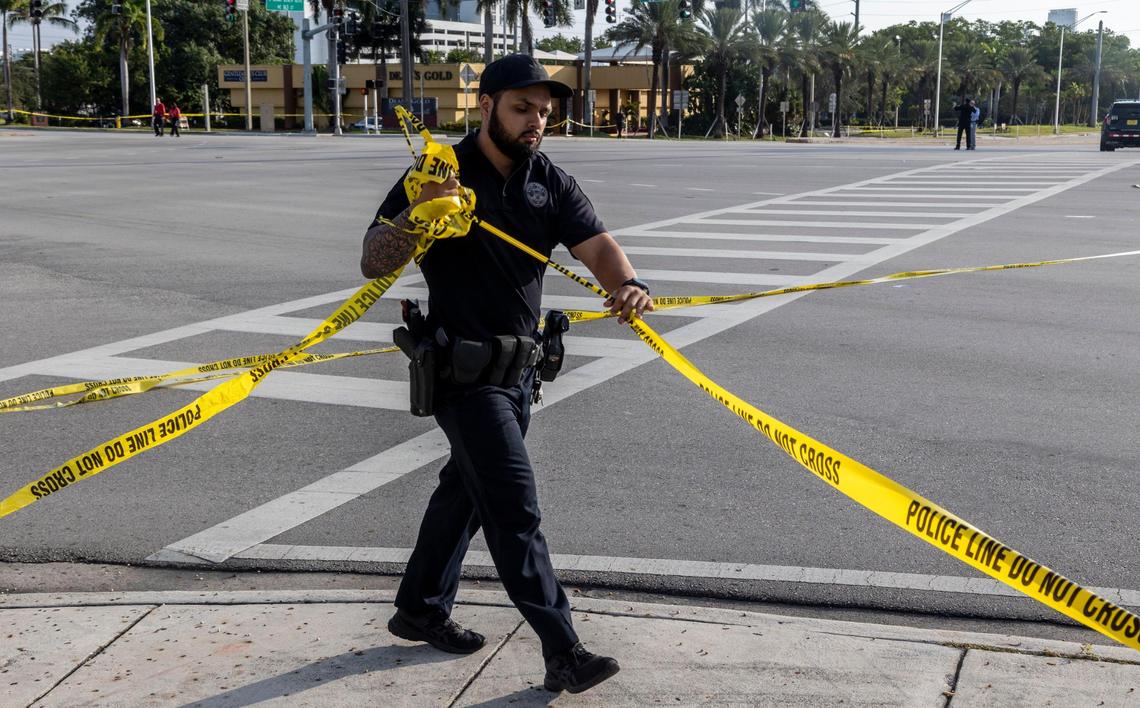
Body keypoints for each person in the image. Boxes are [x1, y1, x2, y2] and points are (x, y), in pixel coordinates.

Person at [360, 53, 653, 695]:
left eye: (544, 113)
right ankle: (563, 648)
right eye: (523, 109)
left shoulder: (547, 179)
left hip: (521, 372)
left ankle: (419, 609)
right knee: (513, 507)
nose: (536, 123)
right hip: (462, 376)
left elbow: (597, 246)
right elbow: (371, 259)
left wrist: (627, 284)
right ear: (486, 105)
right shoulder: (437, 172)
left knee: (464, 495)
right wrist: (419, 218)